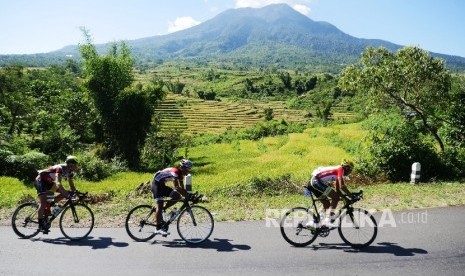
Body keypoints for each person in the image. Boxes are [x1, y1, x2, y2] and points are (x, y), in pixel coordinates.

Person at [34, 156, 79, 233]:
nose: (77, 166)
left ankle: (50, 204)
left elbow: (71, 184)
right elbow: (58, 183)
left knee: (66, 193)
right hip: (41, 180)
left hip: (49, 182)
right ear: (71, 165)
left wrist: (74, 192)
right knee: (43, 202)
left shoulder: (70, 172)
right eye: (75, 165)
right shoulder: (60, 168)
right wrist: (67, 195)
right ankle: (41, 225)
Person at [306, 159, 355, 228]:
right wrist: (351, 195)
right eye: (350, 170)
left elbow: (337, 190)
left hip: (314, 182)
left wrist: (346, 198)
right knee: (335, 198)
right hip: (315, 182)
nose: (351, 172)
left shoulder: (339, 172)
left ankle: (315, 222)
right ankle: (327, 221)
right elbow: (342, 186)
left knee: (327, 204)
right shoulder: (340, 169)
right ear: (346, 168)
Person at [151, 159, 192, 236]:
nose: (189, 171)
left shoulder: (181, 175)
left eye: (190, 169)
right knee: (160, 204)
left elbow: (182, 188)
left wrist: (187, 194)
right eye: (188, 168)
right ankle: (158, 228)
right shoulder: (175, 172)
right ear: (183, 167)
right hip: (156, 184)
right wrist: (187, 195)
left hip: (161, 185)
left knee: (177, 197)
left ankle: (163, 209)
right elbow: (176, 187)